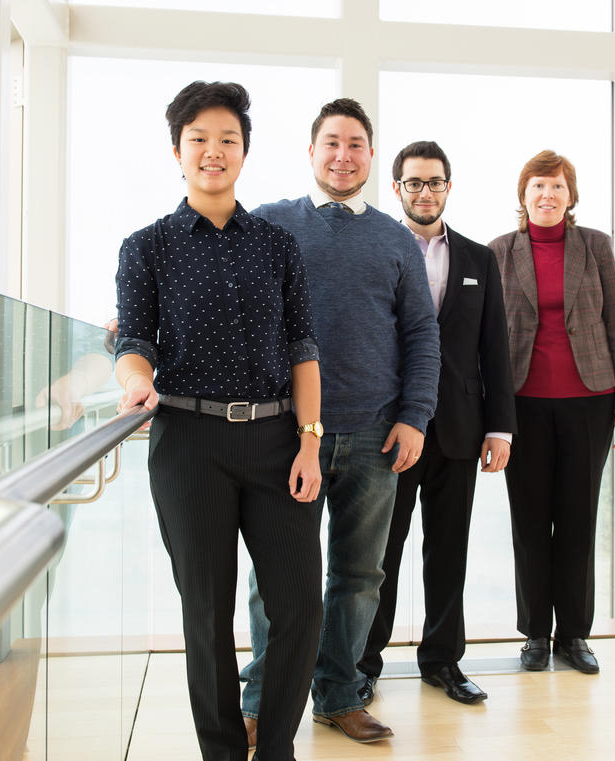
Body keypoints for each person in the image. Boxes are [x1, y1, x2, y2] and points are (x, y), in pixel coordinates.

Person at [114, 81, 323, 761]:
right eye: (199, 139)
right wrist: (137, 382)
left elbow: (303, 347)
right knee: (207, 618)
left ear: (244, 152)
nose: (213, 151)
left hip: (276, 439)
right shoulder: (146, 246)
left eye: (227, 139)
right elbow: (133, 342)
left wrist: (310, 442)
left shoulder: (276, 244)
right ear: (177, 151)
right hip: (188, 444)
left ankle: (275, 749)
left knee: (299, 608)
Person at [240, 99, 440, 744]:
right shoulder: (270, 225)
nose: (342, 155)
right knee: (275, 579)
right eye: (331, 143)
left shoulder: (394, 239)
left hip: (374, 440)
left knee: (358, 577)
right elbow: (215, 293)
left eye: (355, 144)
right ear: (310, 151)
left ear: (371, 156)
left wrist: (414, 418)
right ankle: (261, 703)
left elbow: (420, 335)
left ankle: (338, 695)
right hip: (286, 436)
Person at [358, 141, 516, 705]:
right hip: (390, 429)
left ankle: (443, 662)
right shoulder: (377, 250)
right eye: (413, 182)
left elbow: (494, 349)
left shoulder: (479, 259)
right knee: (381, 555)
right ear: (396, 188)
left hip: (459, 429)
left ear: (449, 187)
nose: (424, 192)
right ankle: (364, 663)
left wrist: (500, 427)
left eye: (435, 182)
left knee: (448, 551)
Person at [489, 150, 615, 675]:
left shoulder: (594, 246)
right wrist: (492, 413)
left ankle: (574, 635)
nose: (547, 196)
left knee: (578, 520)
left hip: (590, 402)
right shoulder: (499, 252)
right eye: (537, 187)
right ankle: (534, 634)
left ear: (570, 196)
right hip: (522, 405)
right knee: (529, 522)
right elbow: (487, 338)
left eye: (556, 187)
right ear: (523, 195)